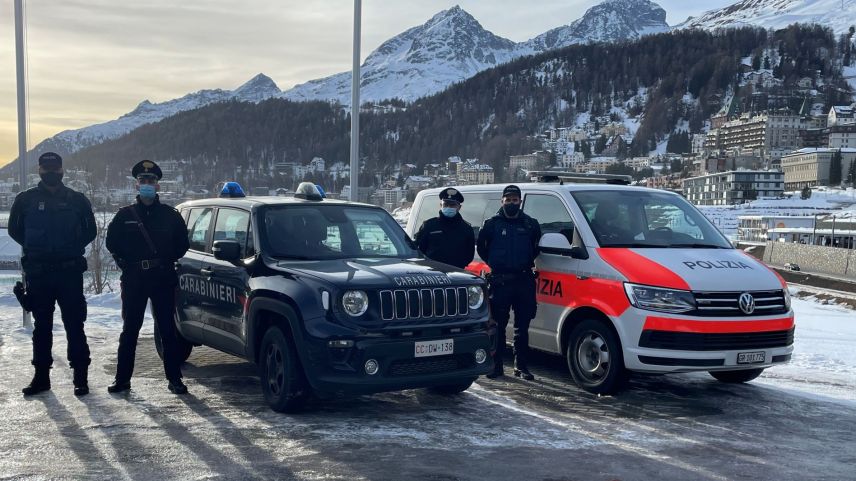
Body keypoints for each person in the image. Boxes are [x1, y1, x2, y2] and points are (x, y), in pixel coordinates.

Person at [9, 152, 97, 396]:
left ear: (61, 170)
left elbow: (90, 231)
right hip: (39, 273)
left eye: (55, 168)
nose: (51, 172)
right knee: (42, 327)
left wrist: (70, 247)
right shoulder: (25, 200)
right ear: (39, 170)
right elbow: (15, 230)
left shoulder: (77, 199)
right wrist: (36, 248)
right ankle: (41, 378)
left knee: (75, 325)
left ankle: (80, 377)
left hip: (69, 273)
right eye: (46, 168)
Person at [105, 160, 190, 394]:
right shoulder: (124, 216)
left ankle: (175, 379)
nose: (147, 184)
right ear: (136, 184)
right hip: (135, 279)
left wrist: (166, 259)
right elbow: (111, 242)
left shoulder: (170, 215)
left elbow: (183, 244)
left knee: (168, 330)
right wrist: (124, 263)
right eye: (143, 180)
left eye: (151, 180)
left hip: (162, 278)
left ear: (158, 185)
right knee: (130, 331)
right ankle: (122, 380)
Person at [476, 185, 541, 380]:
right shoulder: (491, 224)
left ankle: (521, 367)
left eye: (515, 200)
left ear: (520, 201)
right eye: (508, 199)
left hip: (524, 280)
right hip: (500, 281)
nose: (511, 203)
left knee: (523, 327)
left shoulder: (530, 224)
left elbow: (535, 247)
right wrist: (496, 264)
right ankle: (496, 366)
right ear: (502, 201)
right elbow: (482, 248)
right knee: (499, 326)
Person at [414, 187, 475, 269]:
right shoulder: (429, 225)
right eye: (446, 204)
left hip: (456, 271)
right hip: (433, 271)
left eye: (452, 205)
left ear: (459, 207)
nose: (449, 207)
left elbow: (469, 255)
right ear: (441, 205)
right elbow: (420, 250)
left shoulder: (466, 229)